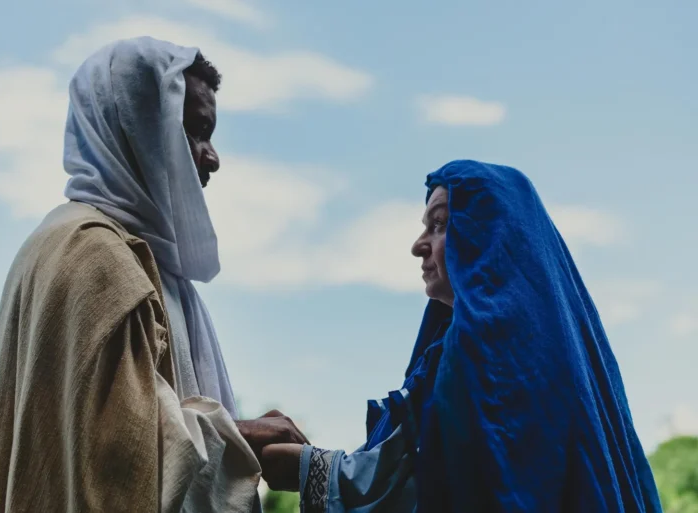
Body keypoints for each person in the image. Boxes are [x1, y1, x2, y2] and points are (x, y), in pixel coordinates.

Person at [0, 37, 307, 513]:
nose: (211, 157)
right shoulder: (91, 252)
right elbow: (113, 460)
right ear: (137, 128)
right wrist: (242, 436)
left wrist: (237, 434)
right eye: (195, 132)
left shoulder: (104, 248)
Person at [261, 160, 662, 512]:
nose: (418, 246)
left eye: (439, 225)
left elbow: (450, 484)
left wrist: (310, 470)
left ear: (490, 239)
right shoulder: (517, 354)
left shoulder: (491, 358)